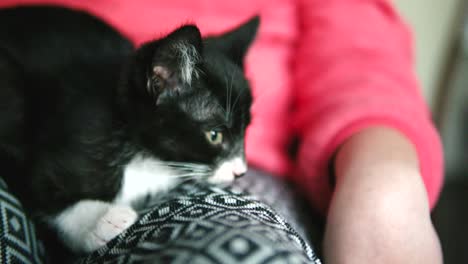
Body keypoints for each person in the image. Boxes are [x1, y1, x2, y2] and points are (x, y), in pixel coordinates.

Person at [0, 0, 443, 263]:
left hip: (199, 181)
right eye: (220, 138)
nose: (238, 164)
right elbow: (51, 176)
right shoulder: (96, 136)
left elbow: (361, 55)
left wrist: (383, 177)